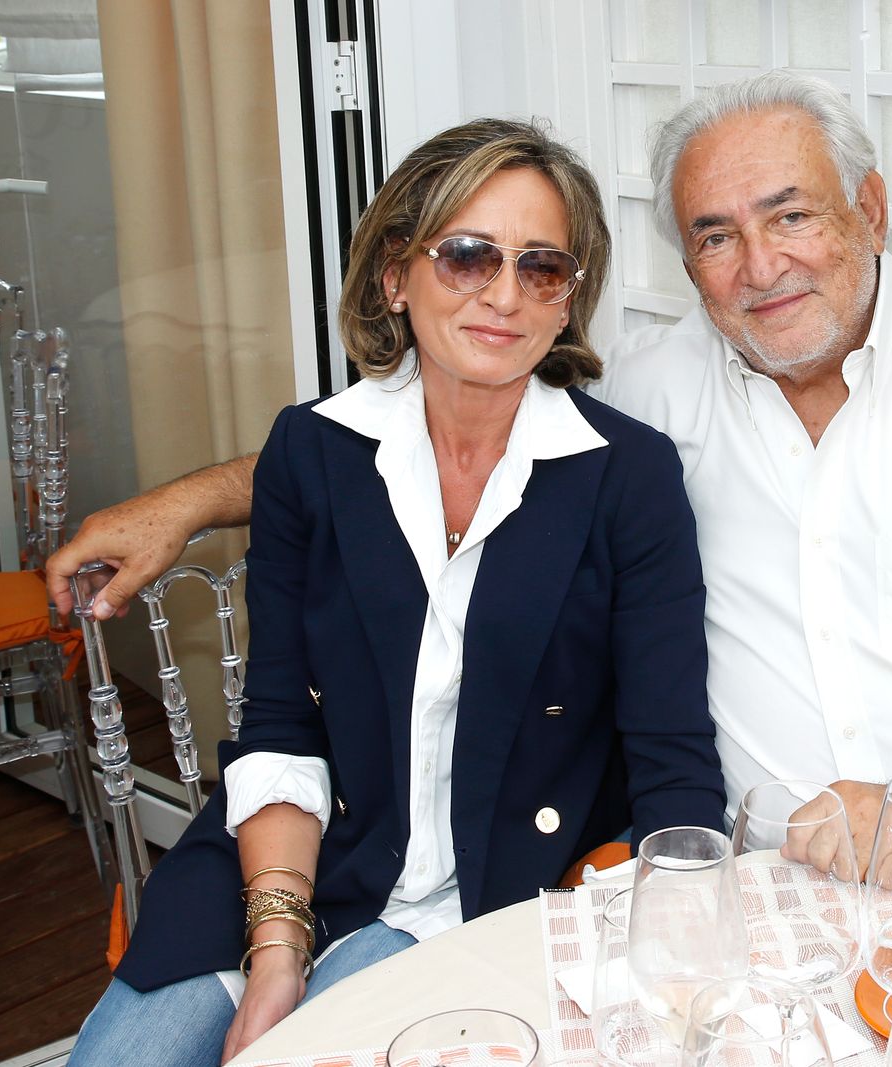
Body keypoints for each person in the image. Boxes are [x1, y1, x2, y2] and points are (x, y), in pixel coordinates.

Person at [50, 70, 892, 876]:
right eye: (716, 234)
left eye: (791, 216)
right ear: (682, 260)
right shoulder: (650, 394)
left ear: (868, 213)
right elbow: (444, 439)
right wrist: (188, 503)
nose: (760, 265)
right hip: (753, 879)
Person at [65, 118, 725, 1067]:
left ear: (569, 299)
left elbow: (671, 754)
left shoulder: (627, 477)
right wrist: (277, 946)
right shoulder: (311, 452)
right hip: (293, 859)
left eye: (542, 267)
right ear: (394, 275)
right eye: (466, 257)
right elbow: (283, 719)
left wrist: (687, 959)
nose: (504, 294)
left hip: (476, 894)